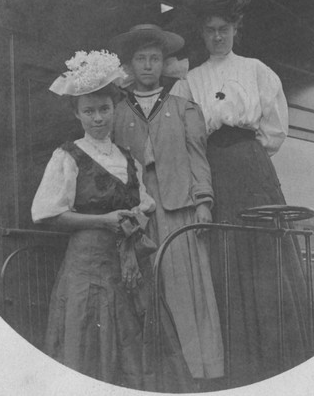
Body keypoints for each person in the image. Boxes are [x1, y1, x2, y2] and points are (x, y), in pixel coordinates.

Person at [171, 0, 314, 387]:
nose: (217, 36)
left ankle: (281, 361)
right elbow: (186, 136)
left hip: (251, 169)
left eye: (224, 29)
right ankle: (241, 371)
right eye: (210, 30)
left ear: (235, 29)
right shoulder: (190, 81)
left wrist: (245, 156)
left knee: (264, 255)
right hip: (212, 168)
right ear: (202, 33)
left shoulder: (256, 70)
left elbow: (273, 132)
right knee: (225, 256)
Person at [31, 49, 156, 389]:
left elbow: (145, 207)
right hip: (85, 268)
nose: (98, 117)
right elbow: (49, 215)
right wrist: (102, 221)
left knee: (125, 351)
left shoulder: (128, 159)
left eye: (104, 109)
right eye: (89, 111)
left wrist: (133, 224)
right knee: (84, 348)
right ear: (77, 114)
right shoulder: (68, 156)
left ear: (115, 109)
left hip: (124, 270)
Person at [109, 24, 225, 384]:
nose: (148, 66)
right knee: (144, 287)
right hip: (138, 210)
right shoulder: (116, 110)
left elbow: (198, 157)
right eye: (141, 59)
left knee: (186, 288)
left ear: (164, 63)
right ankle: (154, 376)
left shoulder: (183, 105)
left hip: (179, 207)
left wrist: (203, 201)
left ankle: (199, 372)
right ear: (131, 64)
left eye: (154, 59)